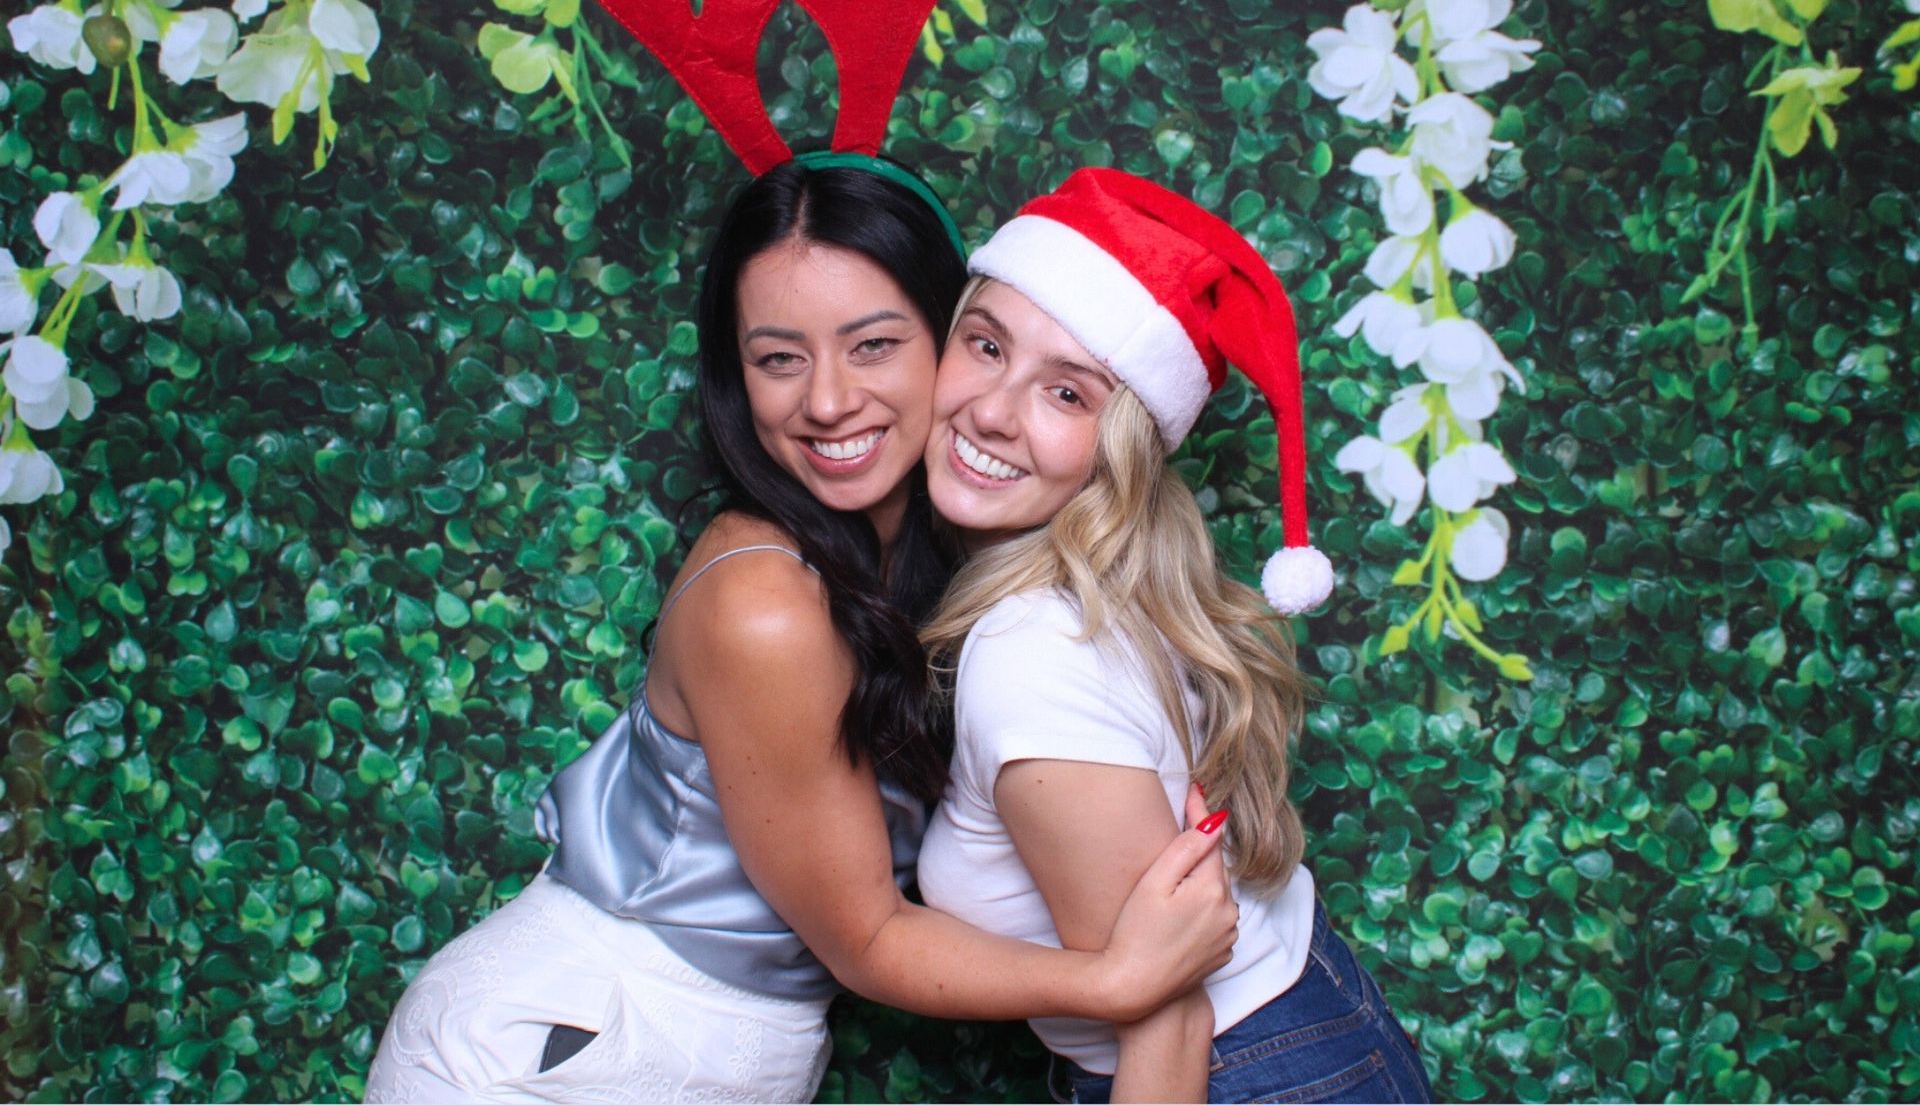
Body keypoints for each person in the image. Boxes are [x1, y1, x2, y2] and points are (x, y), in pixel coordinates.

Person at [365, 159, 1240, 1104]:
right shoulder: (767, 603)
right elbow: (865, 937)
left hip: (703, 1048)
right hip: (567, 1047)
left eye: (871, 345)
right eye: (779, 358)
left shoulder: (952, 565)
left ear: (954, 339)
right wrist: (1123, 981)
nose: (825, 402)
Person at [916, 167, 1435, 1103]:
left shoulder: (1033, 654)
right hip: (1302, 1032)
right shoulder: (1098, 591)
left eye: (1067, 395)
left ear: (1123, 445)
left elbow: (1171, 1009)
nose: (993, 411)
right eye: (986, 346)